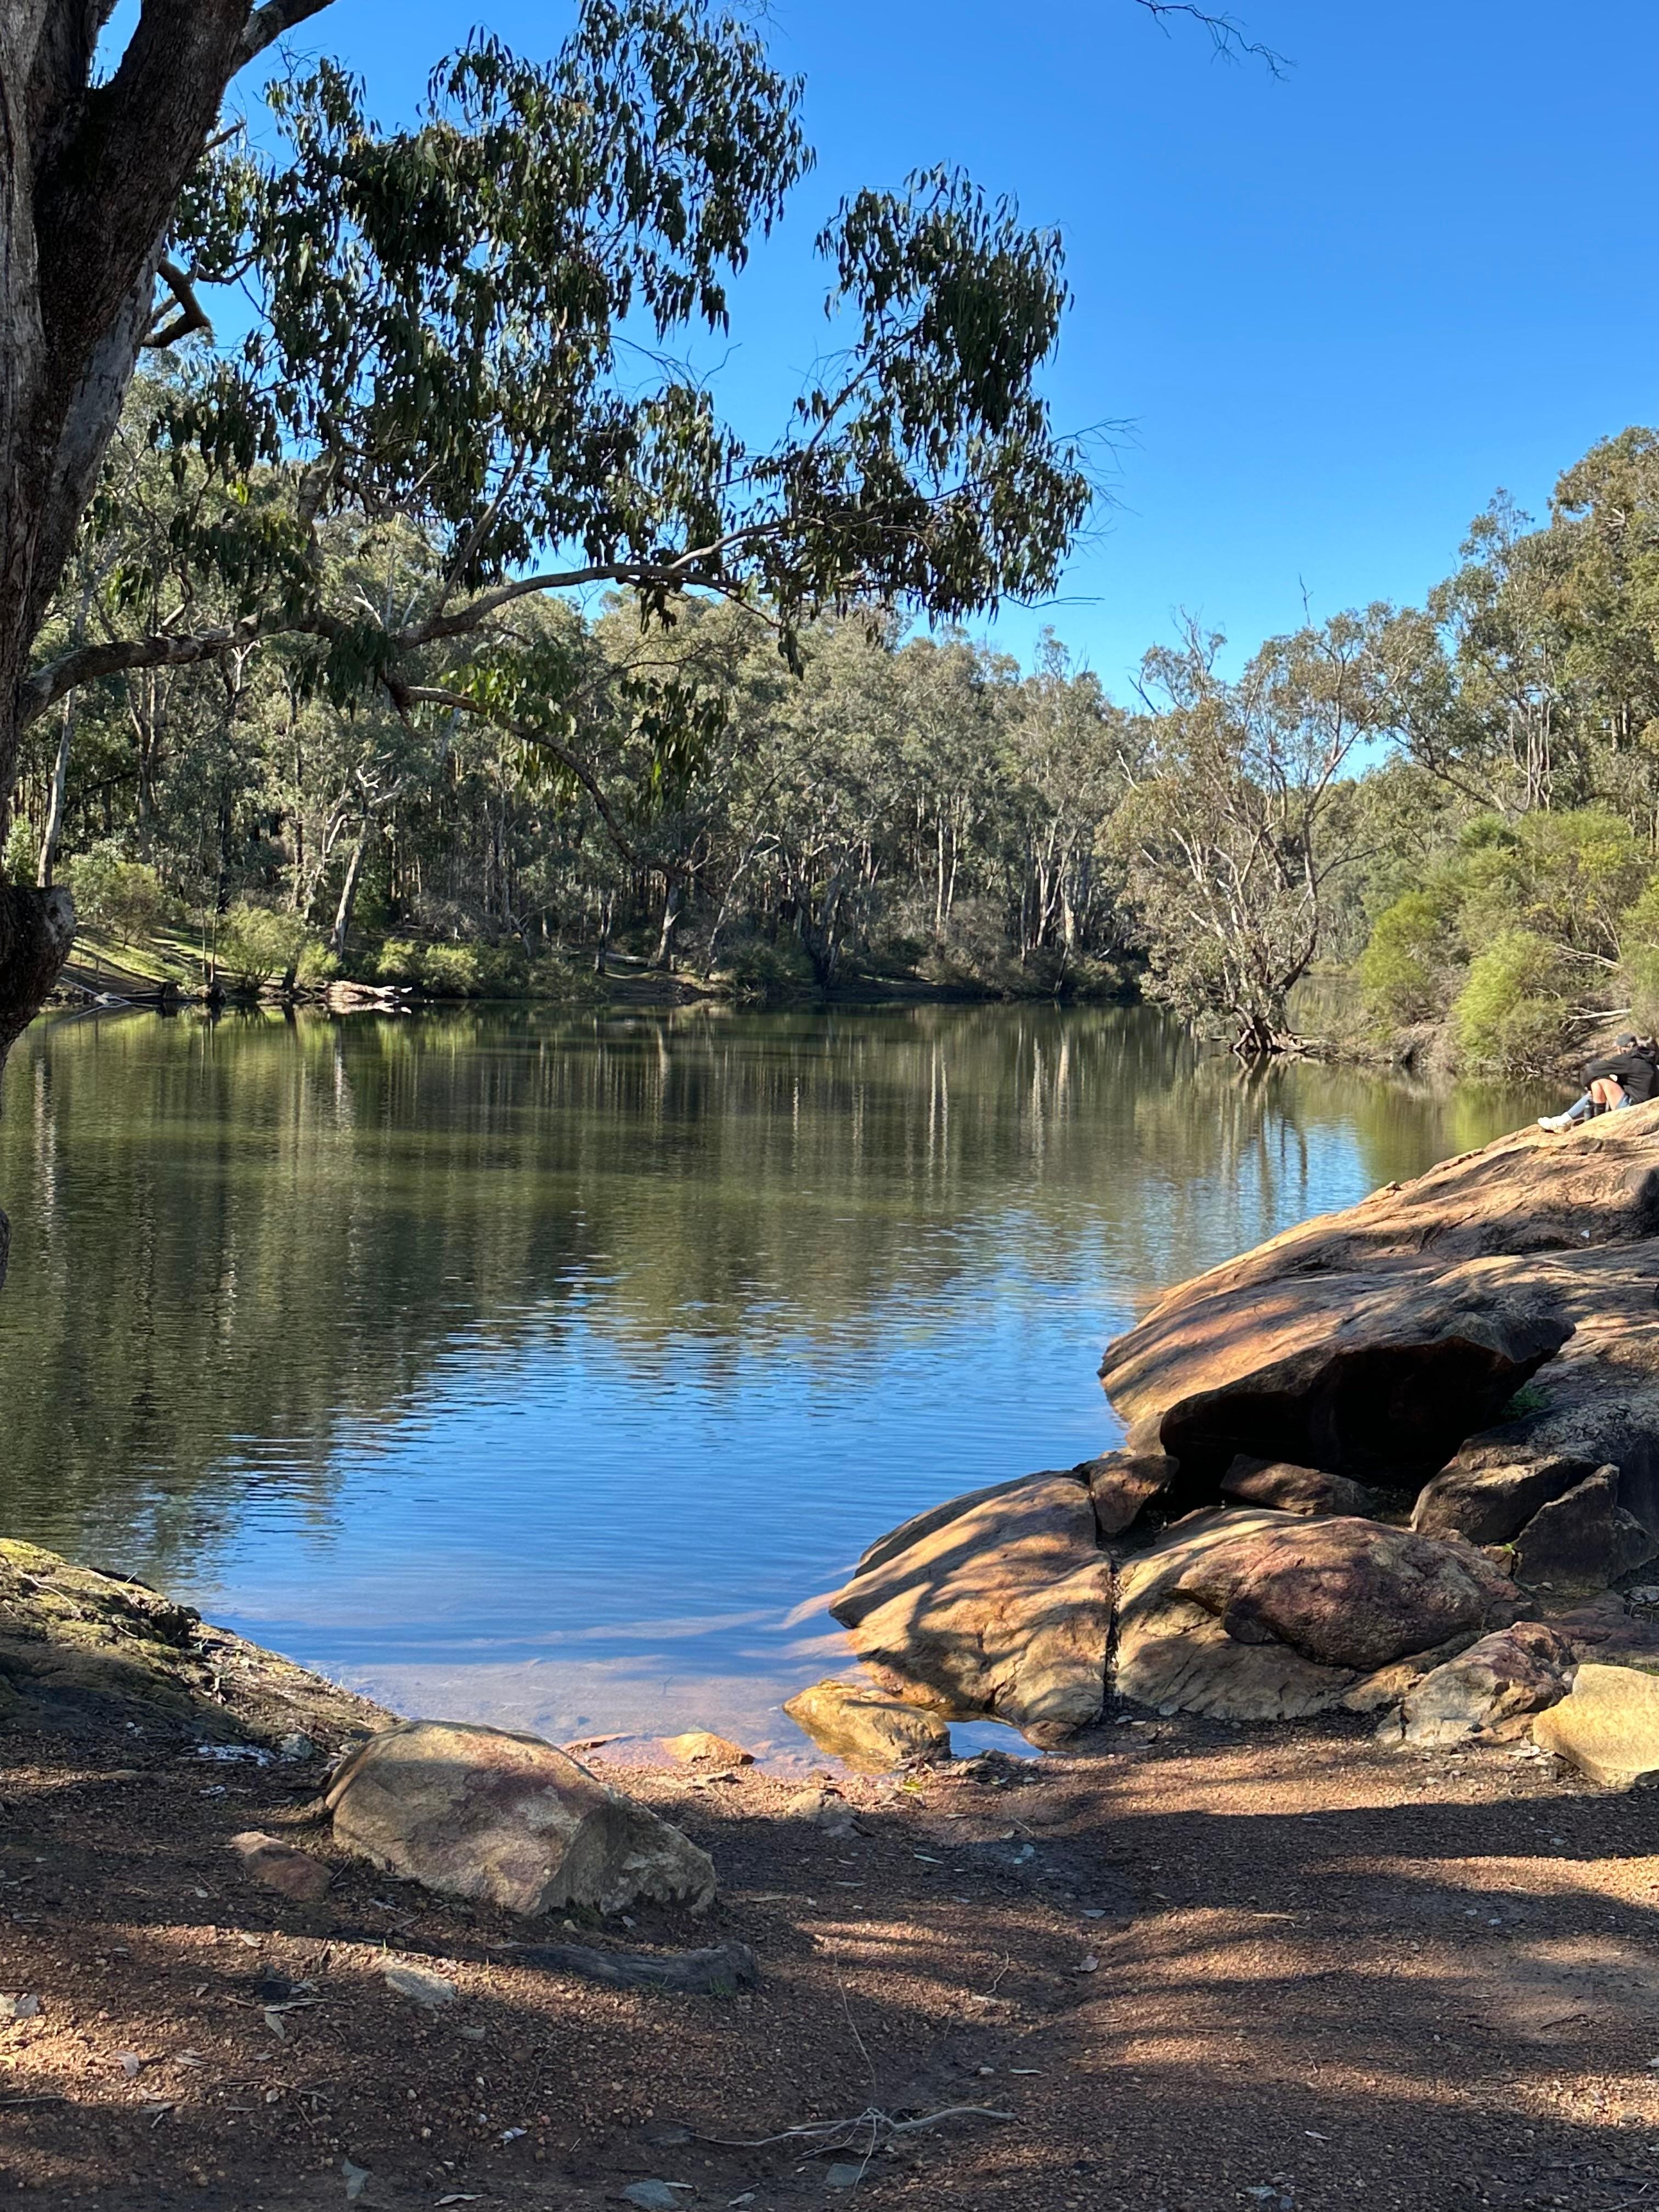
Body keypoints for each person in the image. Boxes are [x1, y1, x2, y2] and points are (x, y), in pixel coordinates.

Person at [1538, 1033, 1659, 1132]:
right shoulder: (1649, 1061)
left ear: (1623, 1049)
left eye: (1617, 1049)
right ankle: (1567, 1120)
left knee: (1599, 1082)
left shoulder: (1629, 1060)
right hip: (1647, 1106)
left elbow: (1592, 1069)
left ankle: (1572, 1121)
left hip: (1633, 1108)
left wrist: (1588, 1085)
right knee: (1605, 1081)